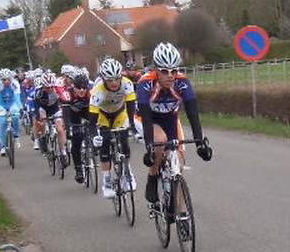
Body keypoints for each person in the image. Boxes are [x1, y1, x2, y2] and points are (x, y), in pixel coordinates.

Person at [136, 43, 212, 204]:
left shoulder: (182, 82)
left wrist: (200, 143)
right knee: (160, 141)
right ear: (156, 70)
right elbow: (146, 118)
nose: (170, 75)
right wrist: (150, 147)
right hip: (147, 118)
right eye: (164, 71)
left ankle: (182, 216)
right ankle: (153, 175)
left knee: (179, 163)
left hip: (170, 118)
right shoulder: (145, 83)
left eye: (174, 71)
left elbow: (192, 114)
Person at [89, 58, 136, 198]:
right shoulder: (98, 91)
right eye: (110, 80)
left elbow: (131, 107)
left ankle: (128, 172)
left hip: (119, 113)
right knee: (105, 141)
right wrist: (94, 135)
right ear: (103, 79)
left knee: (124, 140)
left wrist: (132, 127)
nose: (114, 83)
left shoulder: (127, 84)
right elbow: (92, 121)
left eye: (117, 78)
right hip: (102, 115)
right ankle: (107, 180)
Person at [33, 71, 68, 166]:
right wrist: (40, 118)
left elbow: (64, 101)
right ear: (43, 85)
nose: (50, 89)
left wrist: (64, 114)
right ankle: (43, 137)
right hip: (43, 109)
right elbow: (37, 107)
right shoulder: (38, 92)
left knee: (60, 129)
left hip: (55, 109)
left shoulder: (57, 89)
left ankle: (63, 151)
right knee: (42, 122)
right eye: (47, 87)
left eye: (52, 86)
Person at [62, 72, 92, 183]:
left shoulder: (90, 93)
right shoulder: (68, 94)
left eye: (84, 88)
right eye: (79, 88)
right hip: (72, 113)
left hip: (86, 111)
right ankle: (78, 169)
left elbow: (96, 112)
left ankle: (93, 148)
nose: (82, 90)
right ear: (74, 87)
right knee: (76, 140)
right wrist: (68, 127)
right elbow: (65, 114)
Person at [0, 68, 22, 156]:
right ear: (1, 79)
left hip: (12, 103)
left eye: (8, 79)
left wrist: (21, 108)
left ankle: (16, 136)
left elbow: (17, 98)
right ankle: (2, 146)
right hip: (2, 105)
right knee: (3, 122)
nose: (7, 81)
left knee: (15, 117)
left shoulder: (15, 83)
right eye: (4, 79)